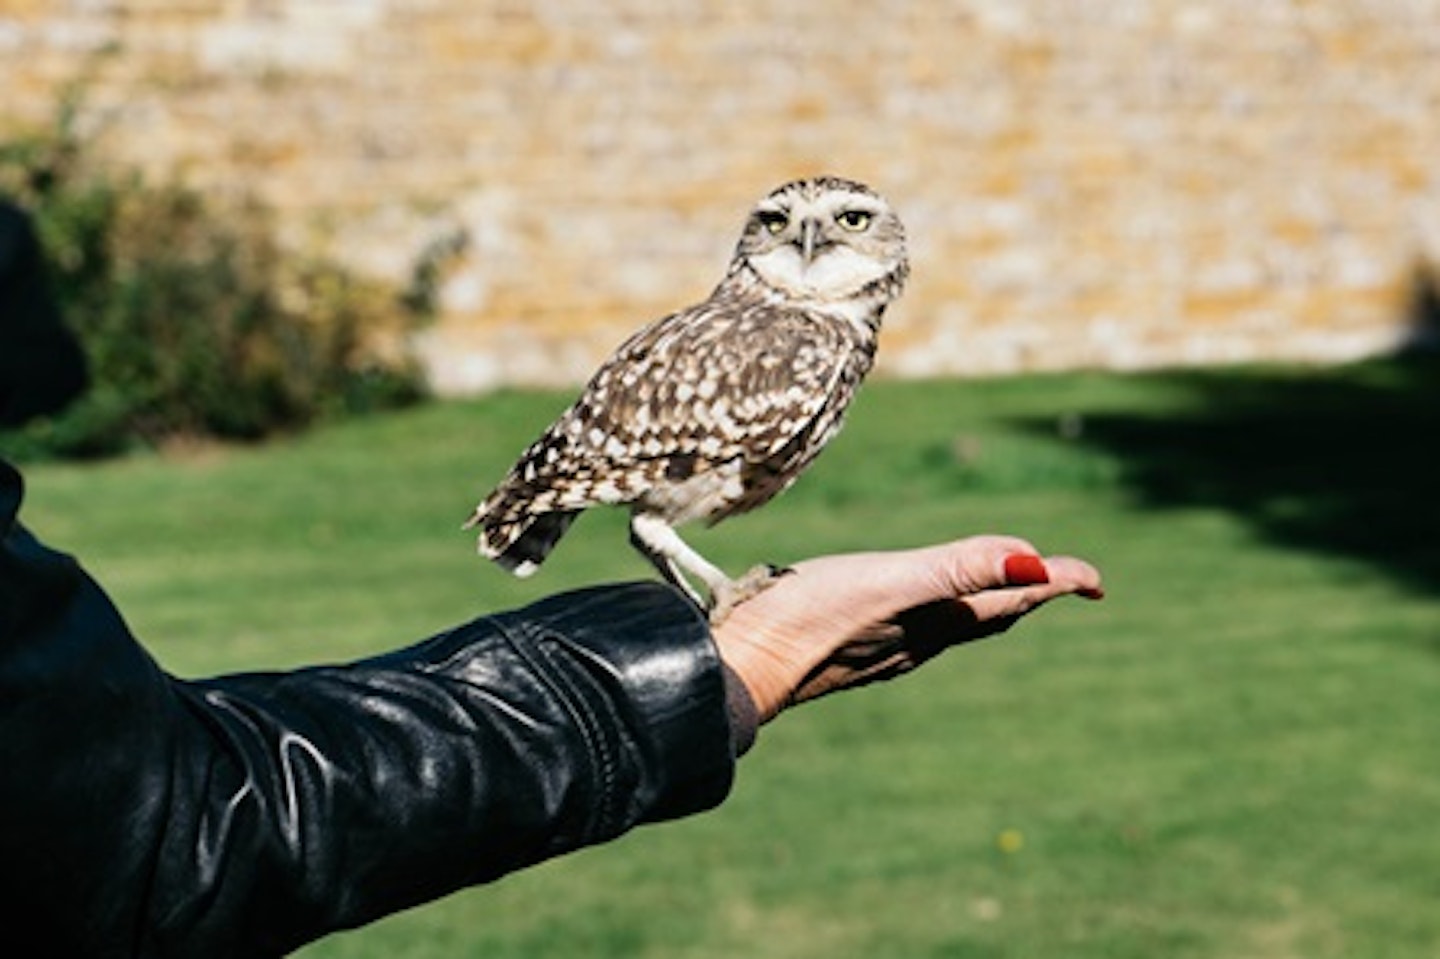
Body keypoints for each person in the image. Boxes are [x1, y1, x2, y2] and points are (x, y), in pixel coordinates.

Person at [0, 199, 1104, 958]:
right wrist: (723, 638)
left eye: (847, 223)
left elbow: (174, 829)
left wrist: (726, 664)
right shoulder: (786, 340)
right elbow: (168, 843)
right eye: (784, 225)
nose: (812, 243)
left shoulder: (807, 332)